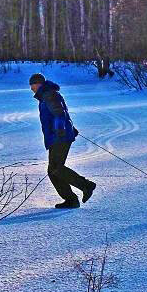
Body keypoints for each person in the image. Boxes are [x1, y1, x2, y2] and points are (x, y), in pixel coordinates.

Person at [29, 73, 96, 209]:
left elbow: (59, 113)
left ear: (38, 84)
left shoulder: (49, 94)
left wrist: (61, 129)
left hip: (59, 136)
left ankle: (86, 186)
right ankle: (71, 200)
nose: (31, 89)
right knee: (53, 170)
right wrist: (70, 127)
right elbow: (60, 113)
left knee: (56, 168)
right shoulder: (46, 96)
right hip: (58, 135)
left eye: (32, 85)